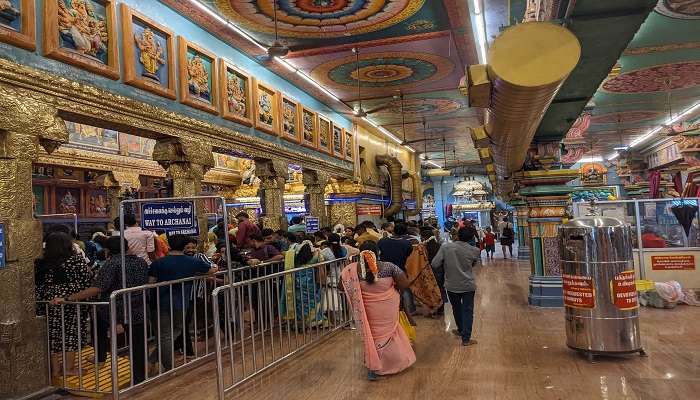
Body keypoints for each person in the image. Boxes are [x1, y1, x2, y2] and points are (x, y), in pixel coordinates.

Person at [52, 236, 149, 383]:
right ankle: (139, 377)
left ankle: (100, 357)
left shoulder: (112, 264)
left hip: (115, 308)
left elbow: (97, 288)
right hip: (138, 307)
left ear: (107, 250)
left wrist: (68, 298)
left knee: (99, 326)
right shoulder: (141, 262)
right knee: (137, 344)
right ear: (127, 246)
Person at [340, 242, 415, 380]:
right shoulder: (389, 267)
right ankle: (391, 363)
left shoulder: (351, 270)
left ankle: (373, 365)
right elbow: (404, 284)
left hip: (366, 310)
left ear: (359, 253)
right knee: (389, 334)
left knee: (371, 336)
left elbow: (342, 286)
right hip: (388, 307)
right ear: (378, 252)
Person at [148, 235, 218, 372]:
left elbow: (151, 282)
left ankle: (156, 360)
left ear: (169, 245)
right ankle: (168, 367)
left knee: (164, 335)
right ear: (184, 246)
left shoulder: (158, 262)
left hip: (158, 302)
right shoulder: (192, 262)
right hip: (180, 302)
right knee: (175, 330)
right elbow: (212, 270)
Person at [35, 232, 93, 378]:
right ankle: (69, 369)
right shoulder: (75, 260)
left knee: (52, 335)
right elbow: (87, 279)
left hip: (48, 301)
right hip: (71, 301)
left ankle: (55, 370)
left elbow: (37, 284)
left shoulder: (41, 262)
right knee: (71, 334)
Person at [431, 228, 479, 346]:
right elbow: (473, 264)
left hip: (451, 284)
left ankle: (460, 329)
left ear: (457, 235)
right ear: (471, 238)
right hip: (468, 284)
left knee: (456, 308)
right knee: (467, 311)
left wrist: (447, 265)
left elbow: (434, 264)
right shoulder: (475, 250)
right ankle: (466, 339)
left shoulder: (446, 248)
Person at [378, 223, 416, 314]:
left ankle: (388, 308)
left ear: (393, 230)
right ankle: (410, 309)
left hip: (385, 269)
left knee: (387, 289)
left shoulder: (382, 241)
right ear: (405, 233)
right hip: (401, 268)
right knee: (405, 289)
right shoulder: (407, 243)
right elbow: (409, 255)